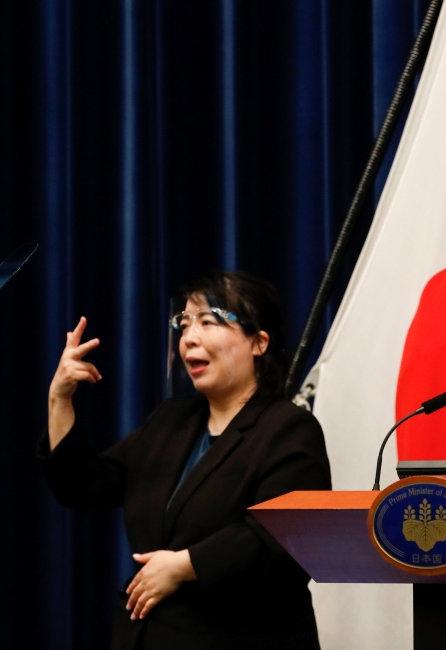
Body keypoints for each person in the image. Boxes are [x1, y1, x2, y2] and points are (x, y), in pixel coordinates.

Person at [39, 270, 331, 650]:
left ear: (258, 343)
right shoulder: (169, 422)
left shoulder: (290, 429)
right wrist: (59, 399)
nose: (189, 338)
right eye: (185, 323)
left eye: (208, 322)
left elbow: (286, 540)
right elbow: (83, 486)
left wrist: (185, 565)